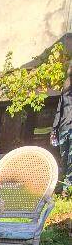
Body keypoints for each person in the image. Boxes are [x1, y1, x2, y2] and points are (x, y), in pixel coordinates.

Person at [51, 61, 72, 193]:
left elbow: (60, 111)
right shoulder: (65, 91)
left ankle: (65, 188)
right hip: (65, 129)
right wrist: (54, 129)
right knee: (66, 158)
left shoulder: (66, 91)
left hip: (67, 128)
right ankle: (63, 187)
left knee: (69, 158)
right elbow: (59, 110)